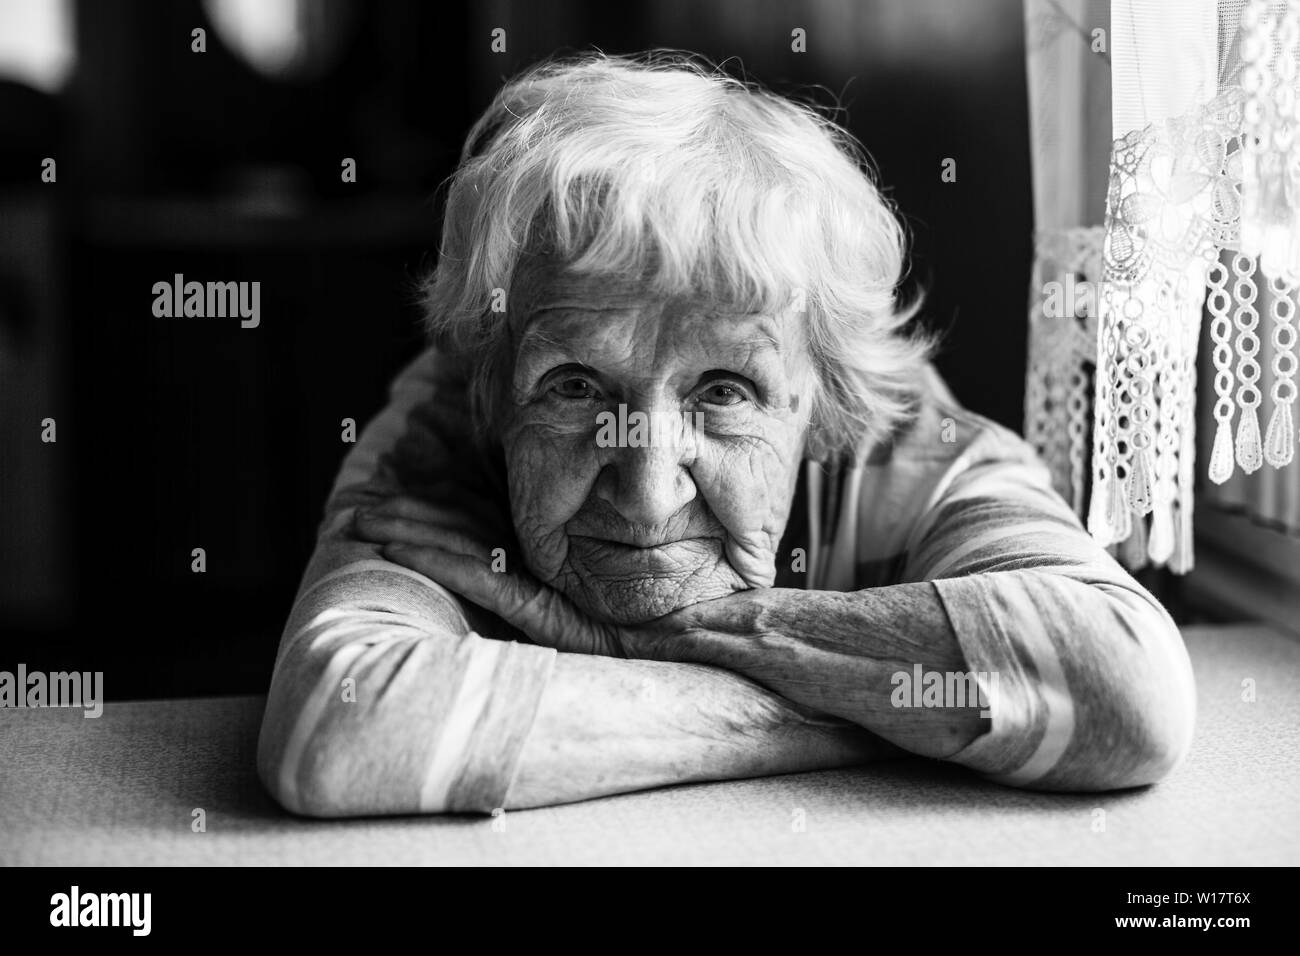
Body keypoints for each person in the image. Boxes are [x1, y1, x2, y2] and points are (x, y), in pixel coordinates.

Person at [257, 53, 1196, 817]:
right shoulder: (440, 431)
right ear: (494, 389)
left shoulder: (910, 438)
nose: (649, 487)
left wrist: (659, 640)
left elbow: (1127, 691)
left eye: (725, 390)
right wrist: (884, 707)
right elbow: (336, 735)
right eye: (576, 385)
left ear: (824, 403)